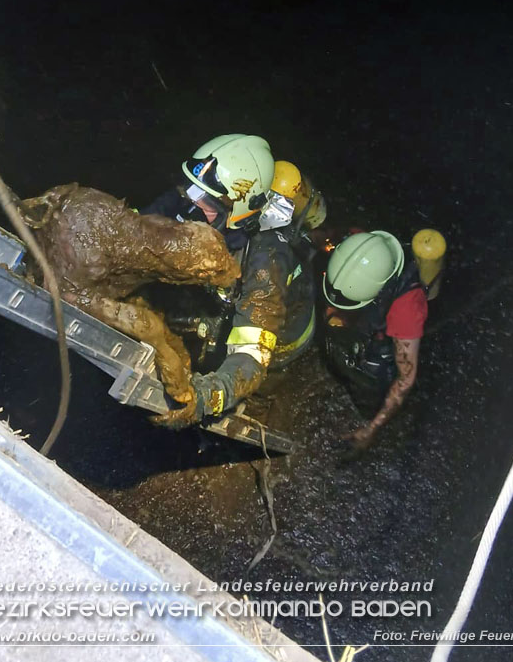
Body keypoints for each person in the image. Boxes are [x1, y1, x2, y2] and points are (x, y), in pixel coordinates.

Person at [142, 135, 326, 427]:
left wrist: (205, 398)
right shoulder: (193, 201)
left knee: (262, 382)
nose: (191, 206)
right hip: (231, 299)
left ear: (240, 211)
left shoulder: (267, 257)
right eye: (190, 190)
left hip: (283, 337)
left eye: (205, 202)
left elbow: (252, 355)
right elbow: (138, 229)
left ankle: (259, 409)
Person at [323, 228, 446, 450]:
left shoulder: (406, 310)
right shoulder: (367, 249)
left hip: (380, 346)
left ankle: (369, 410)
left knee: (371, 383)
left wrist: (371, 429)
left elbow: (405, 379)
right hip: (367, 325)